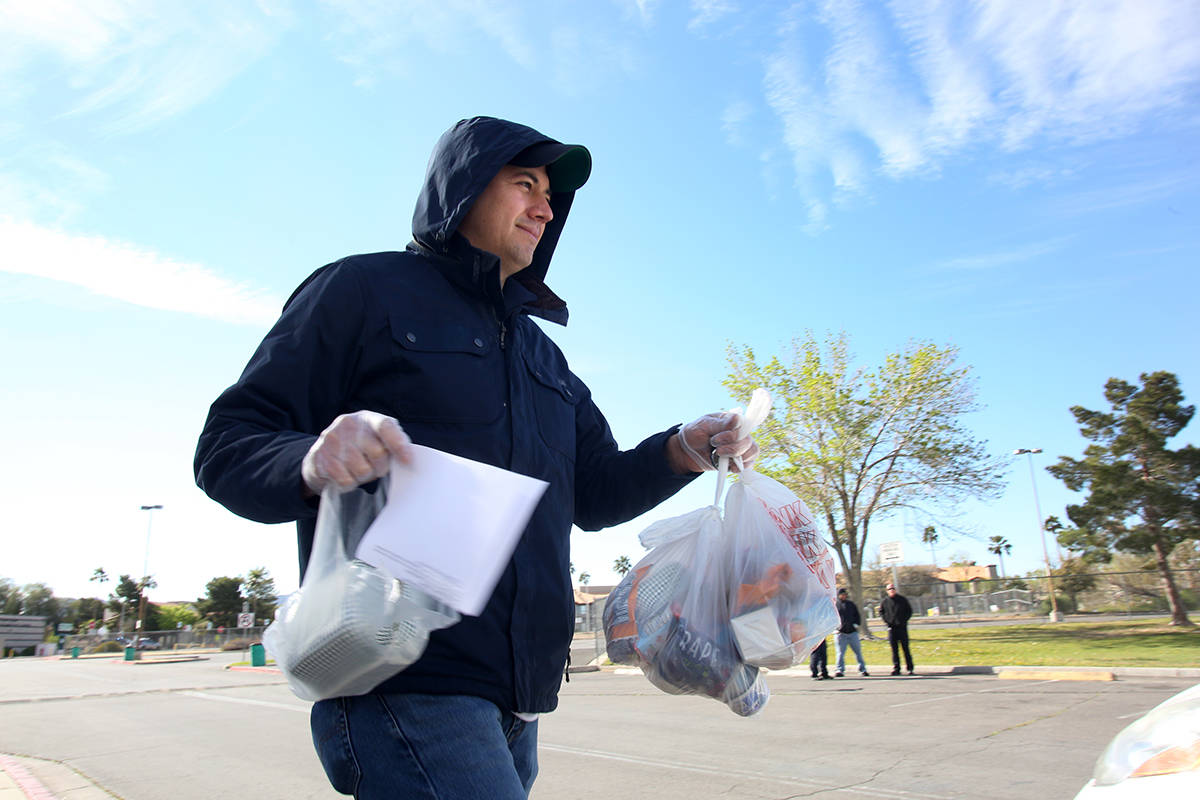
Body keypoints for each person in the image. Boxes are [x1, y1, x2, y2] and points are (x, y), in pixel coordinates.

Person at [193, 116, 757, 800]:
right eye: (525, 184)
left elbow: (597, 492)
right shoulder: (360, 292)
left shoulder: (544, 356)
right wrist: (312, 458)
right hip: (401, 674)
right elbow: (228, 443)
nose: (546, 208)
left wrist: (682, 449)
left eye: (551, 195)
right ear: (462, 192)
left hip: (521, 699)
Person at [880, 582, 915, 675]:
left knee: (905, 649)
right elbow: (882, 613)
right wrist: (887, 622)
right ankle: (897, 668)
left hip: (902, 628)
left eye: (892, 588)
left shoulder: (902, 600)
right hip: (892, 629)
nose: (891, 590)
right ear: (887, 591)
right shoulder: (885, 602)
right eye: (889, 589)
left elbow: (909, 611)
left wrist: (903, 621)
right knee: (894, 650)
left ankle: (910, 668)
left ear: (895, 589)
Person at [834, 588, 869, 677]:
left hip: (852, 633)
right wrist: (836, 628)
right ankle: (839, 669)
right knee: (840, 653)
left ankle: (862, 669)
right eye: (841, 594)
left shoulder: (851, 604)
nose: (843, 596)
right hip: (841, 633)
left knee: (858, 652)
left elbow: (857, 615)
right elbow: (831, 618)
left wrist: (856, 625)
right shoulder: (835, 605)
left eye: (845, 594)